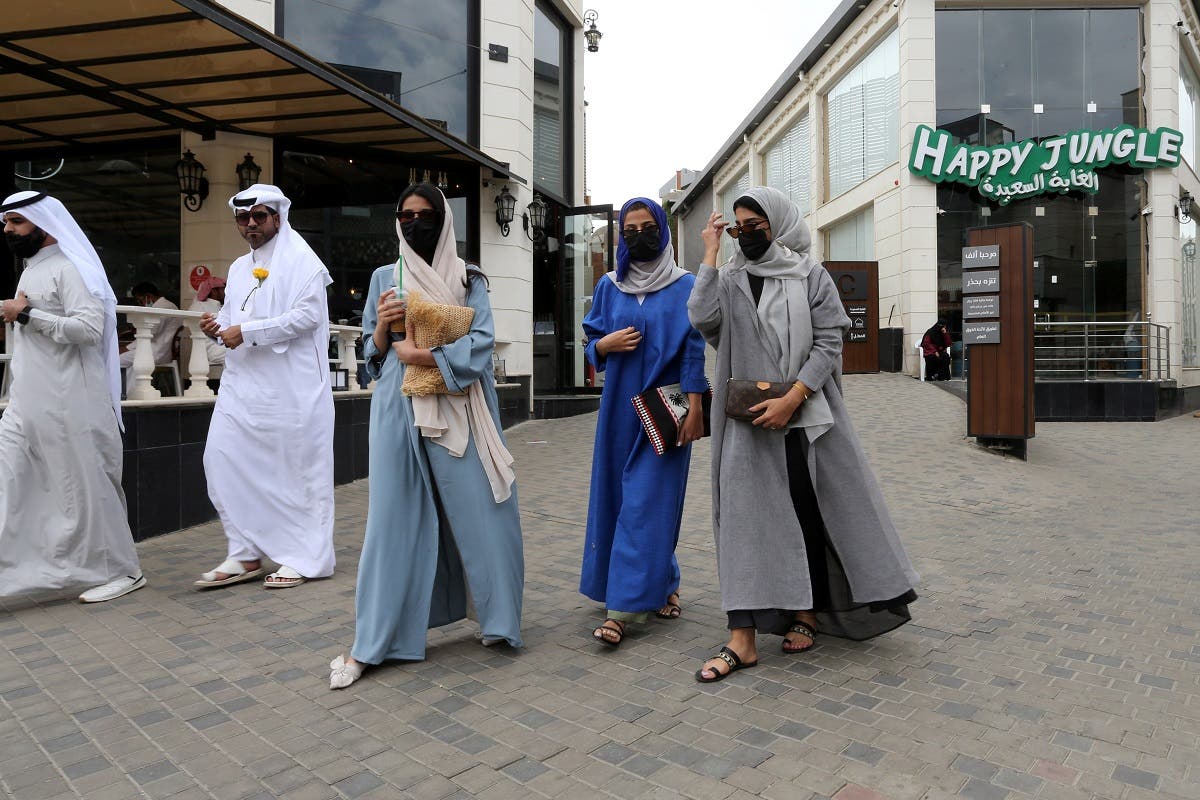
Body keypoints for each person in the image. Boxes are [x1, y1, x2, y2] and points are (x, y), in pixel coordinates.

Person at [687, 186, 918, 683]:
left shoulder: (811, 275)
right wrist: (709, 253)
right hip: (747, 418)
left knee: (807, 511)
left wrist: (794, 396)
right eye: (738, 226)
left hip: (807, 416)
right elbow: (702, 319)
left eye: (756, 225)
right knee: (743, 517)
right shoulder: (729, 277)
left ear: (780, 225)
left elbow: (831, 339)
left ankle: (806, 612)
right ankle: (741, 638)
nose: (745, 235)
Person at [329, 184, 523, 689]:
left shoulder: (468, 277)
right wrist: (381, 331)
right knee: (392, 521)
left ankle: (500, 622)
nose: (416, 223)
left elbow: (482, 340)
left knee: (485, 508)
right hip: (398, 406)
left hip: (463, 404)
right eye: (406, 215)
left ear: (443, 219)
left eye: (426, 215)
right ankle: (375, 642)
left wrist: (426, 357)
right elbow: (374, 358)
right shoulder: (382, 278)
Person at [0, 191, 145, 603]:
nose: (8, 231)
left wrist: (25, 314)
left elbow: (89, 329)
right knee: (9, 481)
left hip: (71, 402)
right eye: (6, 223)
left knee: (86, 489)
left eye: (16, 222)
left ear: (43, 225)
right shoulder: (30, 271)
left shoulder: (70, 269)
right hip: (27, 401)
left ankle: (124, 570)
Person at [580, 197, 707, 646]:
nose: (638, 235)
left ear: (663, 228)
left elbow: (695, 349)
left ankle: (623, 610)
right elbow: (589, 343)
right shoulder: (609, 286)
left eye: (646, 226)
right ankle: (664, 581)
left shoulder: (687, 285)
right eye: (628, 229)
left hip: (666, 408)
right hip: (618, 409)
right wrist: (604, 345)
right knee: (619, 498)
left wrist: (696, 407)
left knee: (649, 502)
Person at [195, 184, 335, 590]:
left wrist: (248, 332)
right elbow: (230, 316)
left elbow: (307, 317)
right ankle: (244, 552)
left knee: (296, 471)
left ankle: (306, 557)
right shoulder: (240, 267)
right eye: (243, 218)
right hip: (243, 386)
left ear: (277, 217)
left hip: (291, 388)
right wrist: (215, 328)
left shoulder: (302, 260)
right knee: (220, 459)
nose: (251, 223)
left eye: (259, 216)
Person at [118, 281, 183, 393]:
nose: (141, 303)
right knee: (131, 363)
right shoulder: (167, 305)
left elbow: (149, 332)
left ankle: (125, 394)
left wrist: (127, 348)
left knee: (118, 360)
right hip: (158, 349)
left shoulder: (162, 307)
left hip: (157, 351)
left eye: (140, 300)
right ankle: (128, 393)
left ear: (148, 297)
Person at [186, 276, 227, 369]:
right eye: (224, 289)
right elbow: (189, 324)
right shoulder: (199, 306)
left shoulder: (221, 306)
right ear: (214, 291)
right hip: (212, 349)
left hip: (224, 345)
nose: (227, 292)